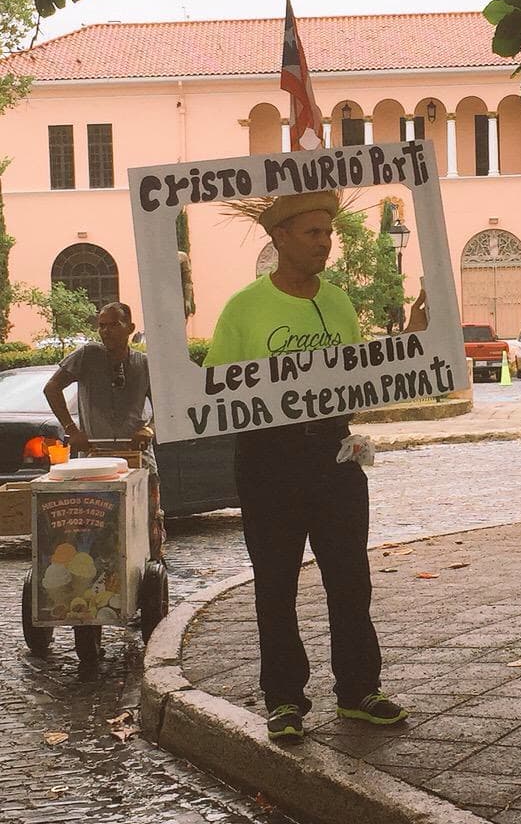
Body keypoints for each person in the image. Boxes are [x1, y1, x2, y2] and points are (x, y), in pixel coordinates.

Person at [205, 191, 426, 742]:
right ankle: (283, 700)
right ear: (279, 238)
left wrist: (412, 345)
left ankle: (358, 691)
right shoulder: (243, 308)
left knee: (350, 580)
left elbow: (359, 381)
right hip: (267, 460)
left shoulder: (342, 304)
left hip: (334, 455)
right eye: (312, 233)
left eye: (328, 233)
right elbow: (214, 390)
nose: (325, 243)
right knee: (275, 585)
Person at [43, 301, 165, 561]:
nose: (106, 331)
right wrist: (72, 430)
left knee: (147, 513)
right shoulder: (87, 355)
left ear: (130, 328)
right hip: (93, 456)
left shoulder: (144, 364)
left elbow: (165, 406)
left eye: (113, 325)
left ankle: (152, 561)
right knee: (91, 520)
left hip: (138, 455)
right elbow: (51, 388)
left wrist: (149, 429)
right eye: (101, 325)